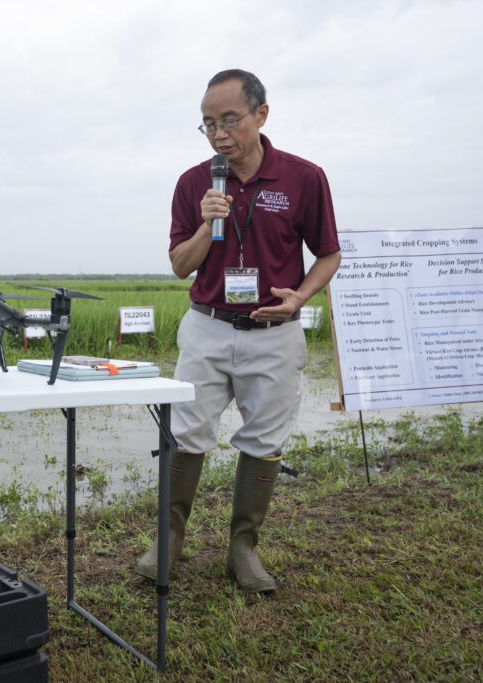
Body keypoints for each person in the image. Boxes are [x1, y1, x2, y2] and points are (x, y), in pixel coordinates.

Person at [137, 69, 341, 594]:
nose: (219, 133)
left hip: (275, 333)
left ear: (261, 115)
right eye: (208, 124)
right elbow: (181, 265)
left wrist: (301, 295)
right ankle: (169, 540)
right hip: (207, 327)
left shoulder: (304, 178)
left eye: (229, 119)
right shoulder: (193, 183)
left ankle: (243, 548)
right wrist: (208, 224)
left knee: (265, 437)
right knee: (185, 430)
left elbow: (328, 253)